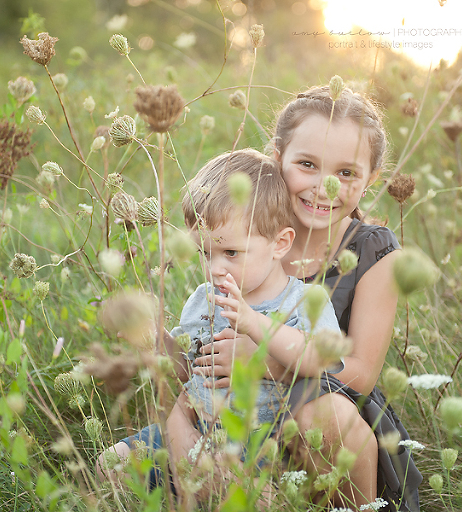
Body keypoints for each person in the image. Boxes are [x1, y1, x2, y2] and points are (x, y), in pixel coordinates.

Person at [191, 86, 422, 510]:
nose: (324, 186)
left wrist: (264, 361)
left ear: (372, 179)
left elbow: (362, 375)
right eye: (307, 164)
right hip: (238, 416)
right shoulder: (246, 237)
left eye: (347, 174)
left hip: (328, 427)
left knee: (323, 413)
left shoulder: (374, 252)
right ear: (277, 156)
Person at [97, 148, 342, 494]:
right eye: (205, 253)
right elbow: (188, 370)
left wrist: (253, 323)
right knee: (111, 464)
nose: (214, 269)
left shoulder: (300, 301)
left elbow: (322, 360)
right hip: (196, 429)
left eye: (231, 253)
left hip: (262, 441)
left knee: (241, 493)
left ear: (280, 243)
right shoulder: (202, 299)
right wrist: (155, 338)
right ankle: (178, 489)